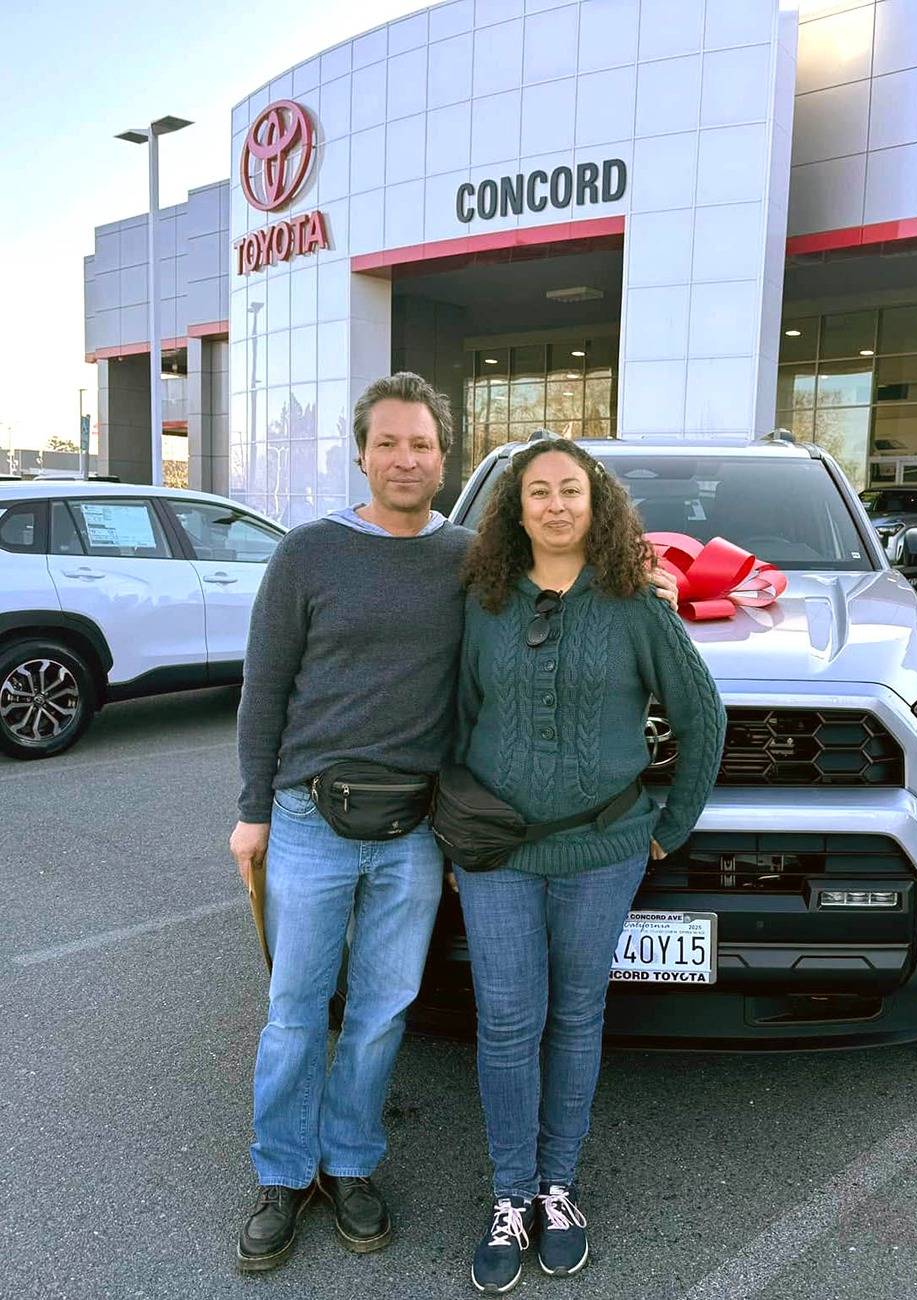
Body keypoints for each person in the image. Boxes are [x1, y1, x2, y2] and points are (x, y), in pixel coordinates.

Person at [228, 378, 678, 1272]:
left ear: (446, 458)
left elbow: (570, 576)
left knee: (381, 1010)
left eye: (422, 445)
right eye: (388, 443)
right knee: (295, 1009)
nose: (405, 460)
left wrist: (650, 583)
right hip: (309, 813)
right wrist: (252, 811)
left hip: (419, 824)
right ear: (362, 453)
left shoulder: (473, 560)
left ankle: (349, 1165)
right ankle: (282, 1175)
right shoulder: (309, 553)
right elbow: (264, 686)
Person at [453, 439, 726, 1294]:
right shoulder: (482, 601)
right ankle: (511, 1194)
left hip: (603, 851)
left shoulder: (634, 603)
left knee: (575, 1015)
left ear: (596, 504)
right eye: (538, 491)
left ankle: (558, 1187)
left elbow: (702, 715)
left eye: (571, 490)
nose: (556, 505)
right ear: (516, 508)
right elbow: (456, 721)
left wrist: (671, 825)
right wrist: (451, 832)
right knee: (506, 1022)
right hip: (498, 854)